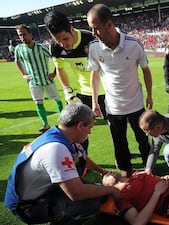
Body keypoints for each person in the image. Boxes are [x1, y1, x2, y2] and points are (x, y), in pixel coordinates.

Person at [4, 103, 119, 225]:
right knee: (90, 203)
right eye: (89, 128)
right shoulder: (55, 149)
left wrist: (103, 172)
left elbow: (81, 156)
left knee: (98, 193)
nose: (89, 132)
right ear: (80, 126)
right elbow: (77, 194)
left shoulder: (59, 135)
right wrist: (111, 189)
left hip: (43, 191)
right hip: (27, 206)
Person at [86, 4, 152, 177]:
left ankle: (148, 168)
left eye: (96, 28)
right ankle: (126, 170)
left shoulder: (134, 44)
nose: (93, 33)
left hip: (136, 104)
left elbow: (145, 70)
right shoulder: (94, 47)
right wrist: (94, 101)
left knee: (143, 139)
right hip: (113, 107)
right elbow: (94, 74)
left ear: (108, 24)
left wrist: (150, 95)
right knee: (119, 142)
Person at [44, 10, 107, 152]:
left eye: (65, 39)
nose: (62, 44)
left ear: (72, 29)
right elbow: (60, 69)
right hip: (83, 93)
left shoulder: (91, 39)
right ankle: (81, 160)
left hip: (106, 90)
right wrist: (67, 91)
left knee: (115, 126)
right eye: (57, 40)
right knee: (78, 131)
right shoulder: (55, 48)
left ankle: (122, 159)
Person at [14, 24, 63, 133]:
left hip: (47, 79)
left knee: (57, 99)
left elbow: (56, 59)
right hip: (33, 81)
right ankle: (45, 124)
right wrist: (24, 75)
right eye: (20, 35)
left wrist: (54, 73)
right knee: (38, 103)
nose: (22, 37)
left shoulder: (42, 47)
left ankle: (63, 121)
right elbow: (17, 61)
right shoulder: (19, 49)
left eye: (24, 34)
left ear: (30, 34)